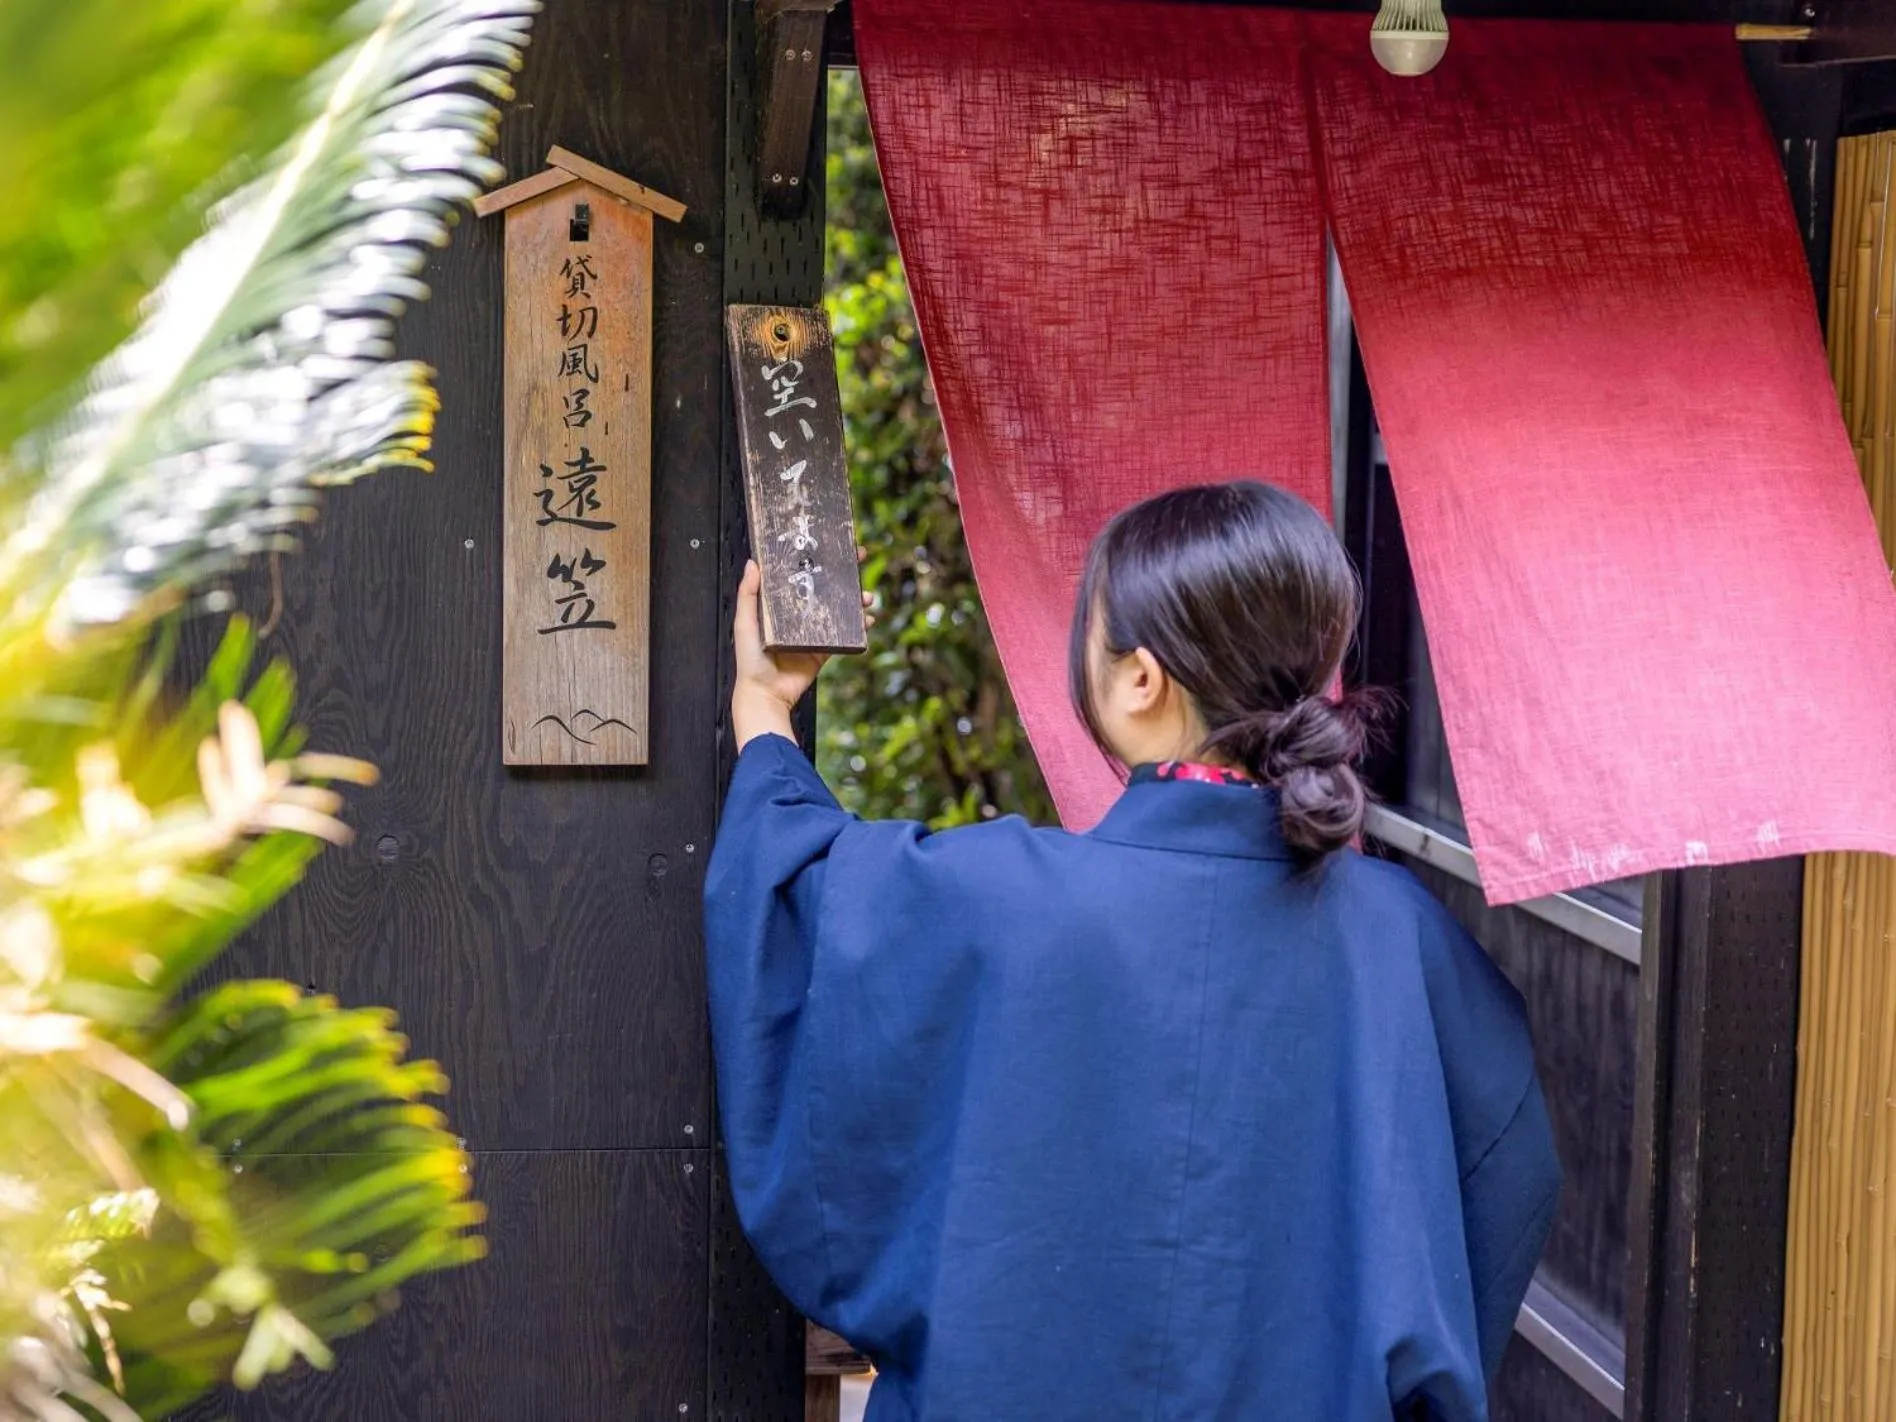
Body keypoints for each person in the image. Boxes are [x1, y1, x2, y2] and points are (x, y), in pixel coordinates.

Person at [705, 481, 1561, 1422]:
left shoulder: (995, 900)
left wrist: (765, 705)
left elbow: (798, 905)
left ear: (1141, 679)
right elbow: (1506, 1172)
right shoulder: (1407, 941)